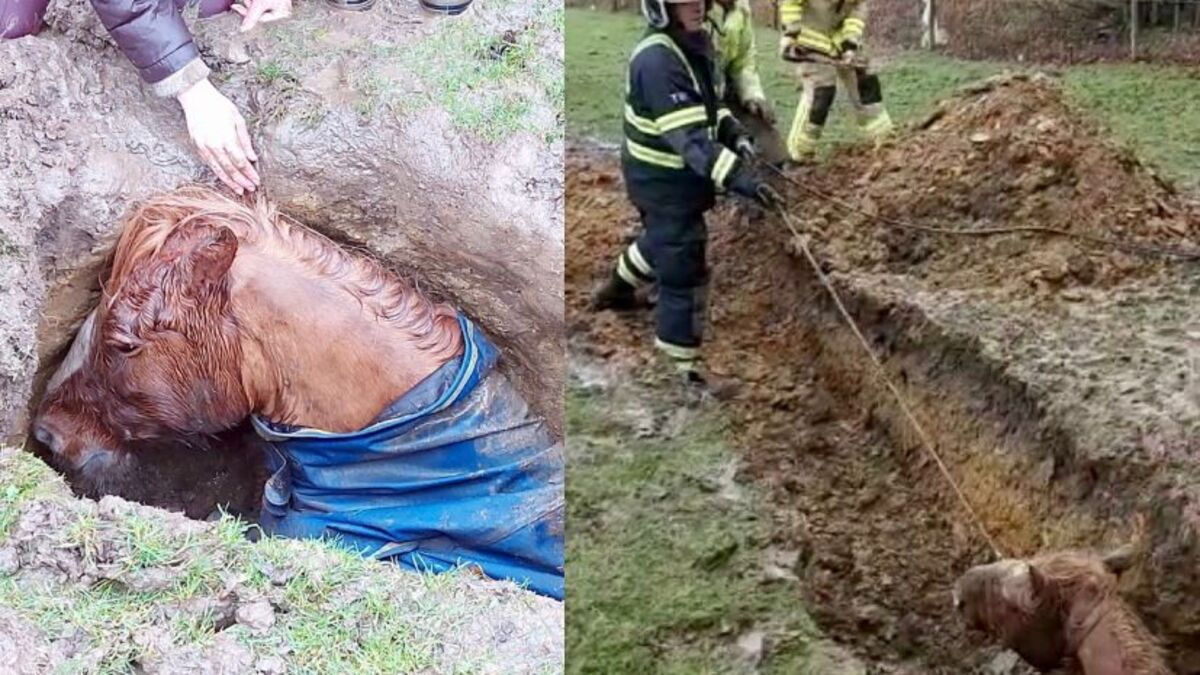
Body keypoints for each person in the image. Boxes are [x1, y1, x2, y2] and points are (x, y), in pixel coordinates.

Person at [590, 0, 781, 394]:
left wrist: (736, 137)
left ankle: (617, 288)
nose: (696, 6)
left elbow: (709, 108)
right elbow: (692, 141)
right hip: (661, 178)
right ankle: (679, 372)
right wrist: (743, 179)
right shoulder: (659, 61)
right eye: (685, 1)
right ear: (662, 7)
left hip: (671, 179)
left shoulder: (694, 43)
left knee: (664, 239)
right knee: (683, 266)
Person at [777, 0, 893, 160]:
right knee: (821, 93)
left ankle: (886, 140)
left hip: (839, 37)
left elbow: (856, 10)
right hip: (809, 37)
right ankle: (799, 155)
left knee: (864, 81)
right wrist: (791, 33)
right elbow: (790, 3)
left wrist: (850, 43)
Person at [707, 0, 787, 166]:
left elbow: (743, 59)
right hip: (693, 95)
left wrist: (752, 95)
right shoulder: (694, 8)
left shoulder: (741, 8)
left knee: (773, 151)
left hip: (725, 89)